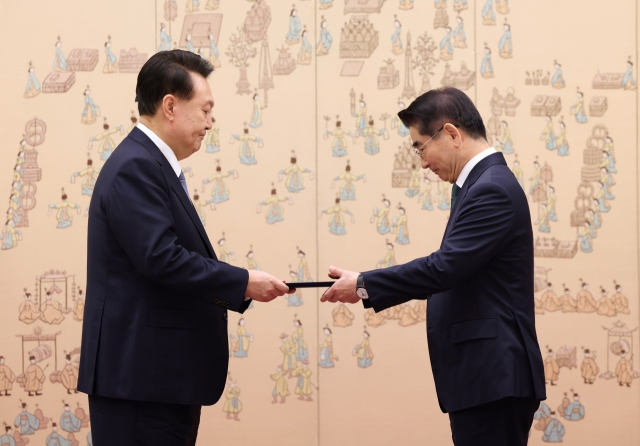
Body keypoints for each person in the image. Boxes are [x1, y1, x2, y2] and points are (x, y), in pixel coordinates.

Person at [78, 50, 291, 446]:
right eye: (205, 110)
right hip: (142, 383)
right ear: (170, 106)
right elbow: (162, 258)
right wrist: (243, 281)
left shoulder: (149, 164)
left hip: (157, 381)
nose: (210, 122)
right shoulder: (136, 166)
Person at [321, 87, 545, 446]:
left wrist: (363, 284)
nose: (422, 162)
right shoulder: (481, 185)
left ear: (452, 133)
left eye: (420, 147)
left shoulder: (491, 189)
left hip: (493, 376)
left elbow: (443, 268)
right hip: (485, 378)